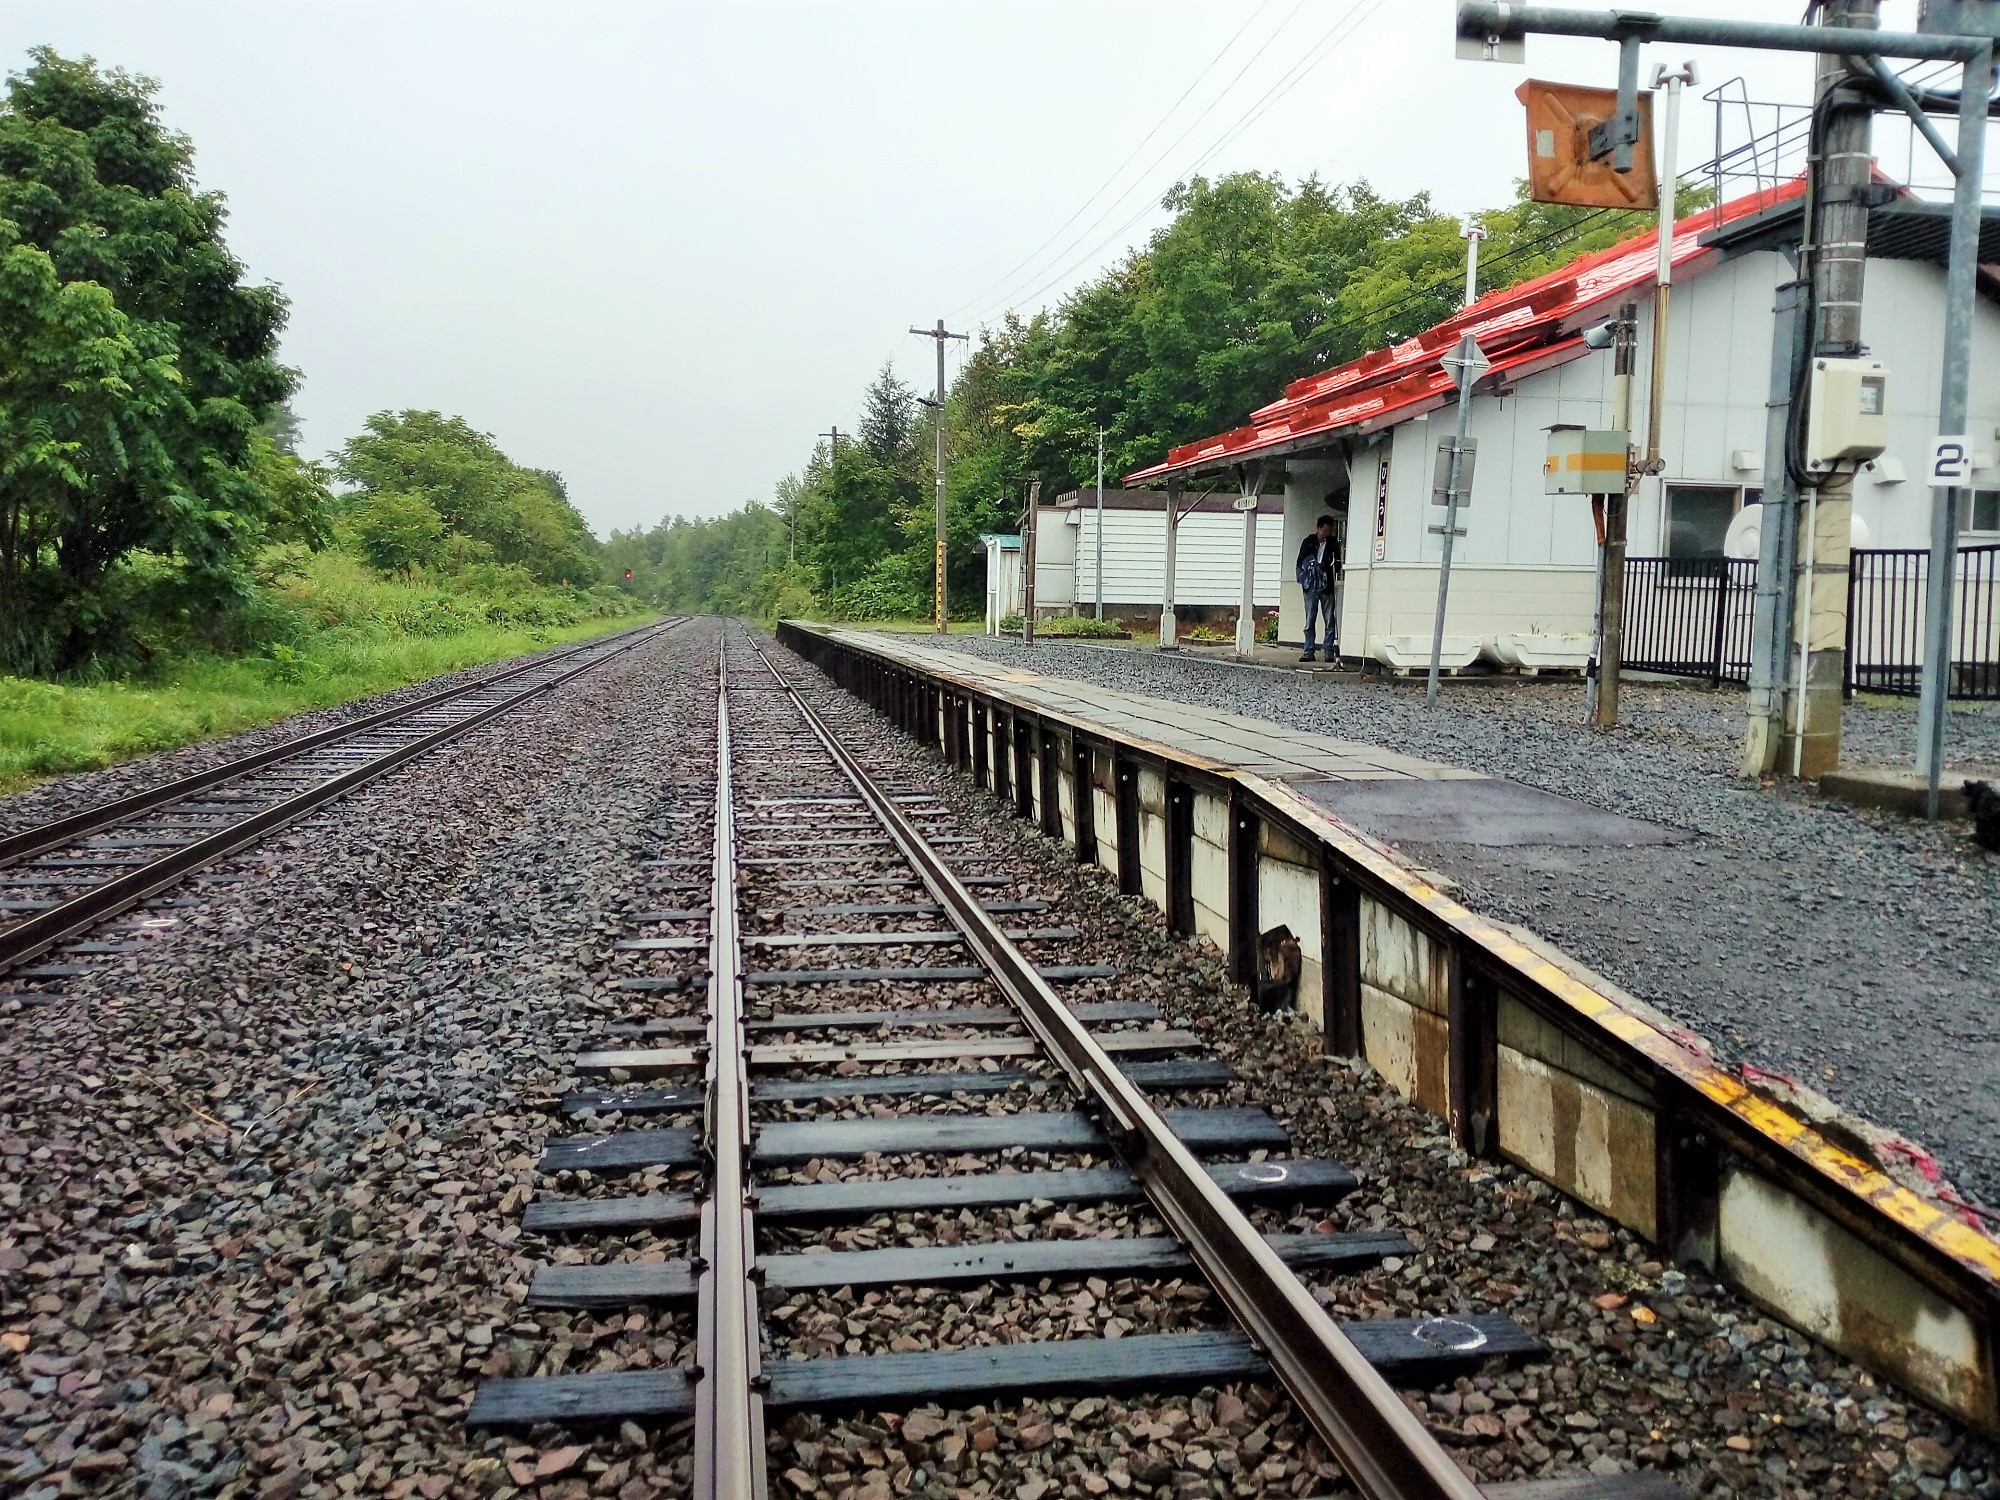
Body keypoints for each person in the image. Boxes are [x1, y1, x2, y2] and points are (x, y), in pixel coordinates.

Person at [1294, 513, 1339, 661]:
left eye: (1329, 531)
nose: (1326, 534)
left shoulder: (1333, 544)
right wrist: (1302, 579)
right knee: (1310, 619)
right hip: (1311, 586)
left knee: (1329, 619)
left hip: (1327, 586)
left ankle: (1329, 650)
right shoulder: (1308, 542)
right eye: (1324, 531)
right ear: (1318, 528)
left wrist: (1335, 565)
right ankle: (1309, 650)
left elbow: (1337, 564)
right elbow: (1300, 562)